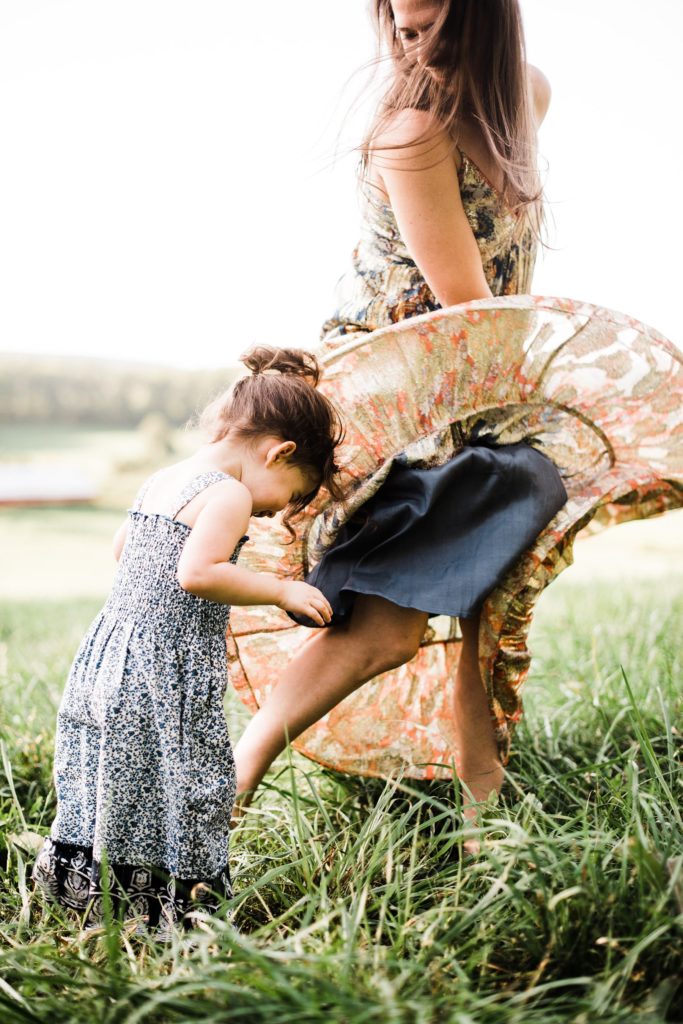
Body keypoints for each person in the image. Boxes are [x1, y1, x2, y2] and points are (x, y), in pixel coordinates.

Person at [229, 0, 683, 846]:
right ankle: (236, 778)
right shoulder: (411, 132)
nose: (419, 46)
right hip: (406, 392)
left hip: (483, 378)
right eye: (403, 30)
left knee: (492, 587)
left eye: (436, 27)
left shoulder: (526, 96)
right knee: (388, 627)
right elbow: (463, 305)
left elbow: (499, 294)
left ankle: (485, 807)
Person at [32, 346, 344, 929]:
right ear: (280, 452)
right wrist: (279, 591)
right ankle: (178, 905)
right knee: (188, 776)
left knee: (116, 773)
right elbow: (197, 573)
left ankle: (90, 888)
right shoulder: (230, 493)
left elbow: (124, 550)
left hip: (112, 653)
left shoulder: (164, 478)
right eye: (292, 496)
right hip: (162, 665)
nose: (275, 515)